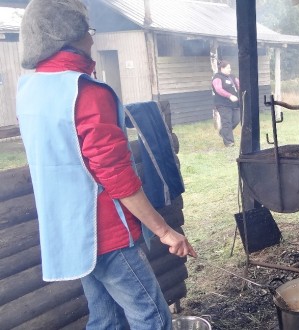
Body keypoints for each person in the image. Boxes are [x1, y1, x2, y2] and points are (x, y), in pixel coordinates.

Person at [16, 0, 197, 328]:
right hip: (105, 233)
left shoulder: (30, 90)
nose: (92, 39)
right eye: (87, 31)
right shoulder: (85, 91)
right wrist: (165, 231)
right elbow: (117, 177)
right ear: (67, 37)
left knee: (105, 319)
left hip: (70, 232)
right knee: (153, 318)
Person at [212, 60, 241, 147]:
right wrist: (229, 96)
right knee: (227, 122)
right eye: (228, 68)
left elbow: (239, 84)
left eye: (230, 68)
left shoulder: (232, 76)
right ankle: (229, 142)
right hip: (223, 104)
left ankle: (223, 132)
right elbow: (218, 89)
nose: (230, 69)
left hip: (235, 104)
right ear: (222, 68)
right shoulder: (217, 77)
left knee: (236, 119)